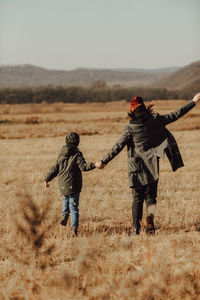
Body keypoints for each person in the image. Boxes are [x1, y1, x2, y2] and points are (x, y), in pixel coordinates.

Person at [96, 93, 200, 235]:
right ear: (144, 108)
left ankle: (136, 228)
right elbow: (176, 114)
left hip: (136, 167)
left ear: (132, 111)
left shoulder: (130, 128)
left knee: (137, 198)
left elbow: (117, 146)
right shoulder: (156, 120)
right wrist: (193, 101)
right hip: (152, 165)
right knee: (151, 196)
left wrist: (104, 161)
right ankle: (150, 223)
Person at [44, 132, 96, 236]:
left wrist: (47, 179)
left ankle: (64, 215)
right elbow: (84, 167)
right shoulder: (77, 154)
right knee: (74, 208)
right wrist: (94, 165)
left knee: (65, 198)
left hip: (63, 183)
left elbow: (55, 168)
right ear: (77, 142)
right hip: (74, 184)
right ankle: (74, 228)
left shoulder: (61, 153)